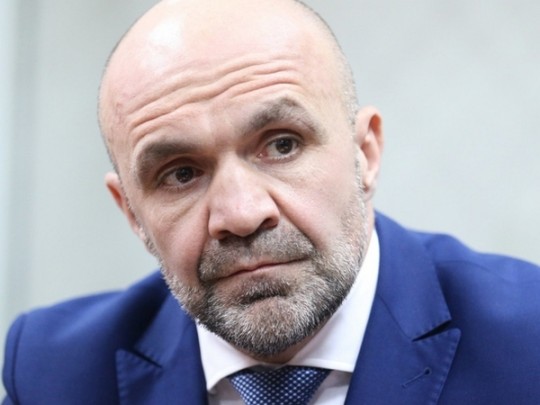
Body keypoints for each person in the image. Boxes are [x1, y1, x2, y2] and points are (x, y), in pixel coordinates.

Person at [3, 0, 540, 403]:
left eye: (282, 145)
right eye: (181, 174)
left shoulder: (527, 343)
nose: (241, 214)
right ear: (132, 214)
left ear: (365, 153)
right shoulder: (55, 375)